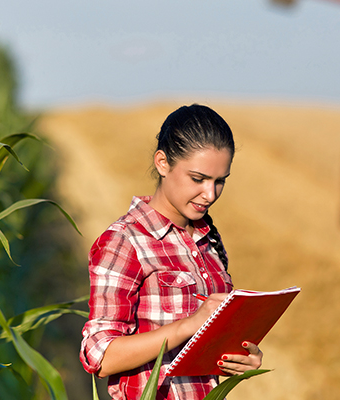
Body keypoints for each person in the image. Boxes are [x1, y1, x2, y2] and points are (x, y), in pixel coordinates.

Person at [79, 104, 263, 400]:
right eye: (198, 178)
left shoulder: (209, 240)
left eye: (220, 181)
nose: (210, 194)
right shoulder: (125, 241)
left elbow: (206, 350)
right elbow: (100, 356)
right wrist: (189, 325)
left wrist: (241, 357)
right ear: (163, 163)